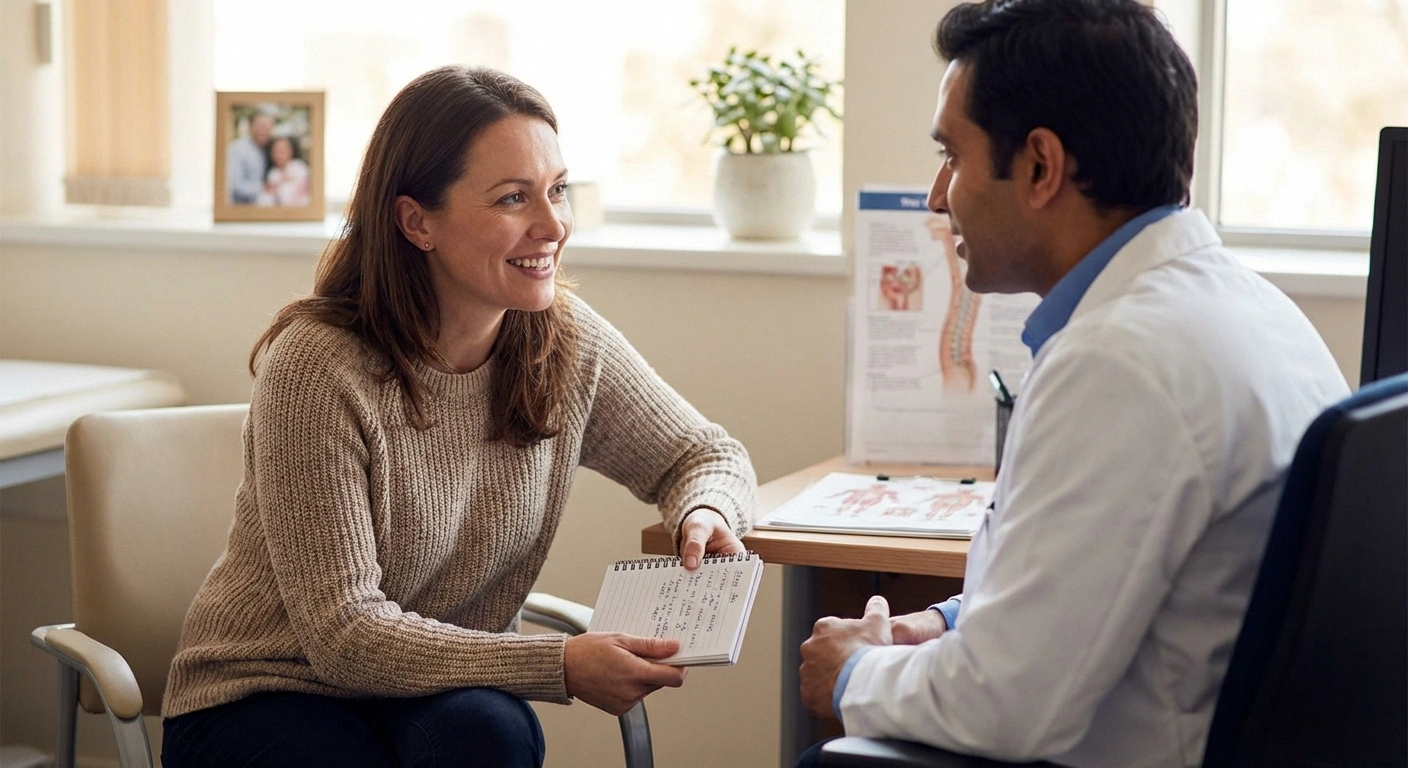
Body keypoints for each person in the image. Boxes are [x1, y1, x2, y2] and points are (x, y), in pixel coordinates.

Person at [795, 1, 1350, 766]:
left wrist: (852, 672)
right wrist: (946, 623)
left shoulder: (1119, 363)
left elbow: (1003, 705)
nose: (936, 196)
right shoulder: (1246, 308)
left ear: (1040, 167)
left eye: (952, 156)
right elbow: (1082, 584)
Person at [161, 66, 757, 768]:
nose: (553, 226)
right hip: (267, 689)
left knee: (490, 732)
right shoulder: (318, 366)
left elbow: (703, 454)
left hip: (433, 684)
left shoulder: (564, 342)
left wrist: (704, 511)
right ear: (417, 221)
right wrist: (559, 664)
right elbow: (345, 636)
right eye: (513, 198)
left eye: (557, 190)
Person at [228, 111, 274, 204]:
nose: (263, 130)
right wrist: (263, 187)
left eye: (267, 127)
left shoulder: (270, 149)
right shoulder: (237, 149)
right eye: (260, 126)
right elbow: (235, 186)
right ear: (250, 127)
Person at [261, 135, 311, 207]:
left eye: (282, 151)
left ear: (291, 151)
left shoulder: (299, 167)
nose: (279, 155)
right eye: (276, 151)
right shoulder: (273, 173)